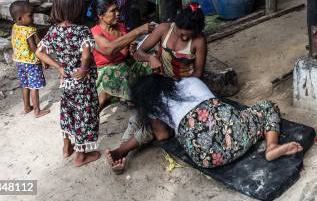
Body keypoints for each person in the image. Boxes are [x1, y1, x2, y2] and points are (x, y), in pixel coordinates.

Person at [105, 74, 303, 173]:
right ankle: (272, 146)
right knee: (268, 107)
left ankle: (120, 151)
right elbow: (215, 111)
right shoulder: (191, 82)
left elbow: (162, 136)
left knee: (155, 130)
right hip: (235, 133)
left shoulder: (156, 109)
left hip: (208, 159)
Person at [35, 0, 100, 167]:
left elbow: (39, 52)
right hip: (82, 83)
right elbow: (86, 54)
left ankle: (66, 148)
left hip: (66, 82)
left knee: (68, 113)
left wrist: (58, 67)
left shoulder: (54, 31)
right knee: (84, 116)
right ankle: (81, 156)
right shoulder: (82, 31)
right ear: (78, 8)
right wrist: (84, 68)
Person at [91, 0, 154, 112]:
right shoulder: (95, 33)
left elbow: (126, 52)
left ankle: (118, 94)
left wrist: (132, 49)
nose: (118, 13)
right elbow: (109, 49)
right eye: (113, 11)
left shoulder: (120, 27)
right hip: (106, 72)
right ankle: (118, 95)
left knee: (148, 61)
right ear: (100, 15)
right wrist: (139, 31)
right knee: (118, 70)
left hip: (124, 67)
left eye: (117, 9)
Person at [133, 2, 206, 79]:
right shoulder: (164, 28)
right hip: (164, 77)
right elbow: (138, 52)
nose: (185, 38)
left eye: (190, 36)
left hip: (186, 82)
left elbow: (198, 73)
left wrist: (183, 85)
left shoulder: (199, 40)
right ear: (176, 24)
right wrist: (150, 58)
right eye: (182, 34)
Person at [9, 1, 50, 118]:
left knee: (25, 85)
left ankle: (27, 107)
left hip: (19, 61)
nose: (33, 18)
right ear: (20, 18)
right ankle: (37, 110)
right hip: (31, 63)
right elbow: (33, 48)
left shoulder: (15, 27)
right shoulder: (29, 30)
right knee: (34, 86)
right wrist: (43, 60)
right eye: (30, 15)